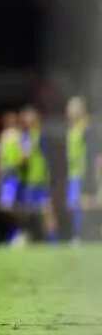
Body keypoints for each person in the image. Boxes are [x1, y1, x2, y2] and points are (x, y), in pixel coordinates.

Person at [18, 105, 55, 243]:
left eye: (29, 116)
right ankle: (30, 237)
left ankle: (53, 240)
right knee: (29, 211)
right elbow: (23, 158)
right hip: (29, 178)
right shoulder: (24, 136)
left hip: (41, 178)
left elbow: (48, 156)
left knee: (46, 210)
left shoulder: (41, 134)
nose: (26, 119)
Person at [65, 96, 97, 242]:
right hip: (74, 173)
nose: (69, 111)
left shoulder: (87, 127)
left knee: (86, 204)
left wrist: (92, 173)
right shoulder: (72, 129)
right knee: (75, 205)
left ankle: (83, 235)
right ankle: (79, 235)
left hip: (85, 173)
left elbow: (92, 152)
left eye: (73, 108)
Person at [0, 111, 23, 243]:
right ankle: (12, 234)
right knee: (5, 207)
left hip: (16, 175)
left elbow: (24, 155)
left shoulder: (20, 136)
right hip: (7, 176)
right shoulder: (4, 136)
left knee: (15, 206)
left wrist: (16, 164)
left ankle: (18, 233)